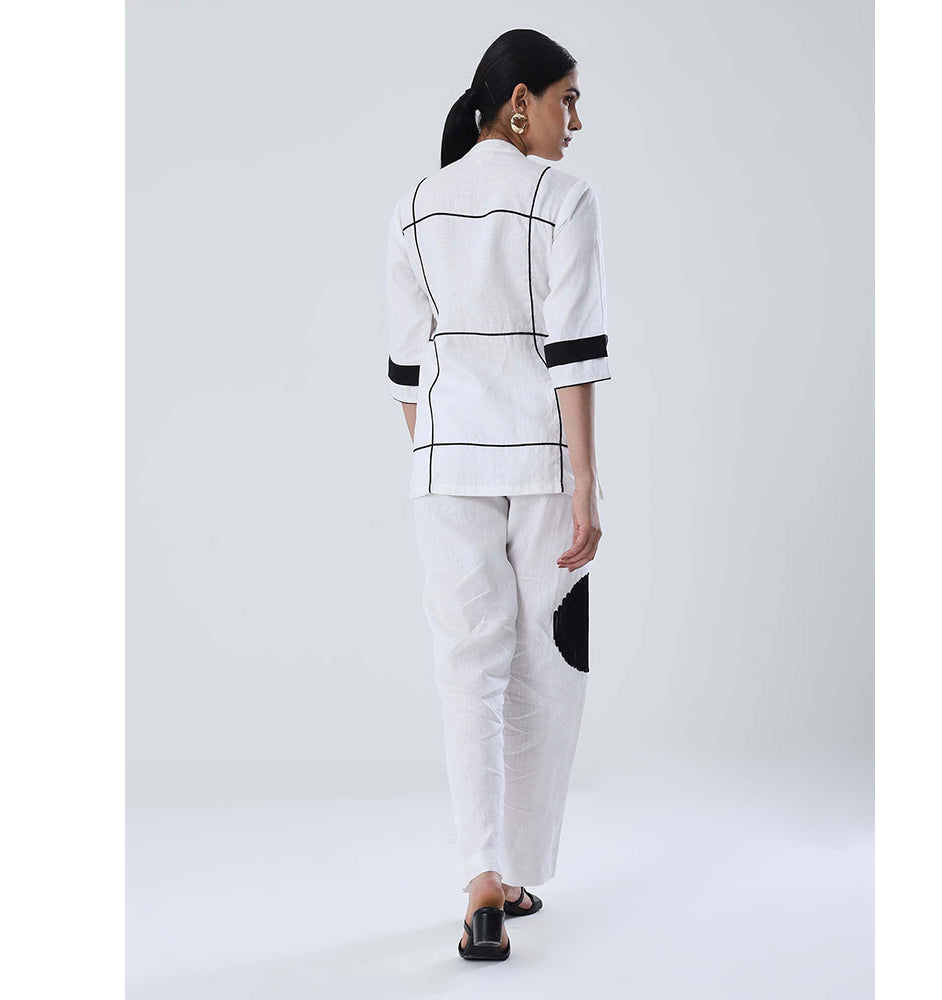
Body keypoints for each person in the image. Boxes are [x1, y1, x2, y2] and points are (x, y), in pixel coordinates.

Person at [383, 28, 612, 961]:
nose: (575, 121)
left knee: (465, 664)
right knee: (548, 662)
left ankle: (480, 879)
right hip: (540, 463)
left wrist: (441, 456)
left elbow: (406, 371)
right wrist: (586, 481)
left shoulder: (415, 206)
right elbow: (575, 353)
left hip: (444, 467)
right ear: (520, 103)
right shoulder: (565, 200)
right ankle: (516, 868)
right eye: (567, 98)